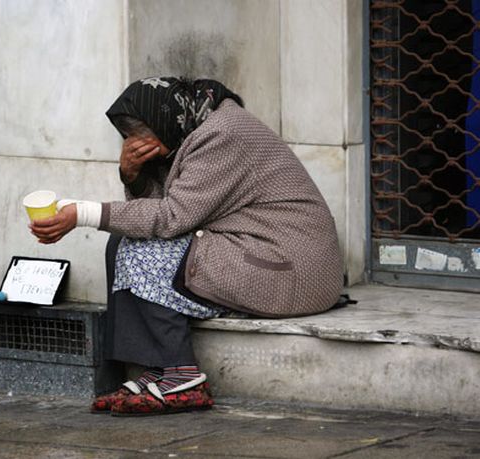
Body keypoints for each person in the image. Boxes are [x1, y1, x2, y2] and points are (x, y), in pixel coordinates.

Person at [30, 76, 344, 416]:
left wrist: (83, 213)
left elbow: (171, 218)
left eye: (139, 132)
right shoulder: (195, 126)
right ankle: (154, 368)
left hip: (292, 268)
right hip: (257, 251)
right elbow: (164, 212)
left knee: (142, 251)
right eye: (128, 135)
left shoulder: (223, 134)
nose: (134, 142)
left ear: (165, 118)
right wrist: (133, 174)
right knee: (121, 240)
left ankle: (183, 375)